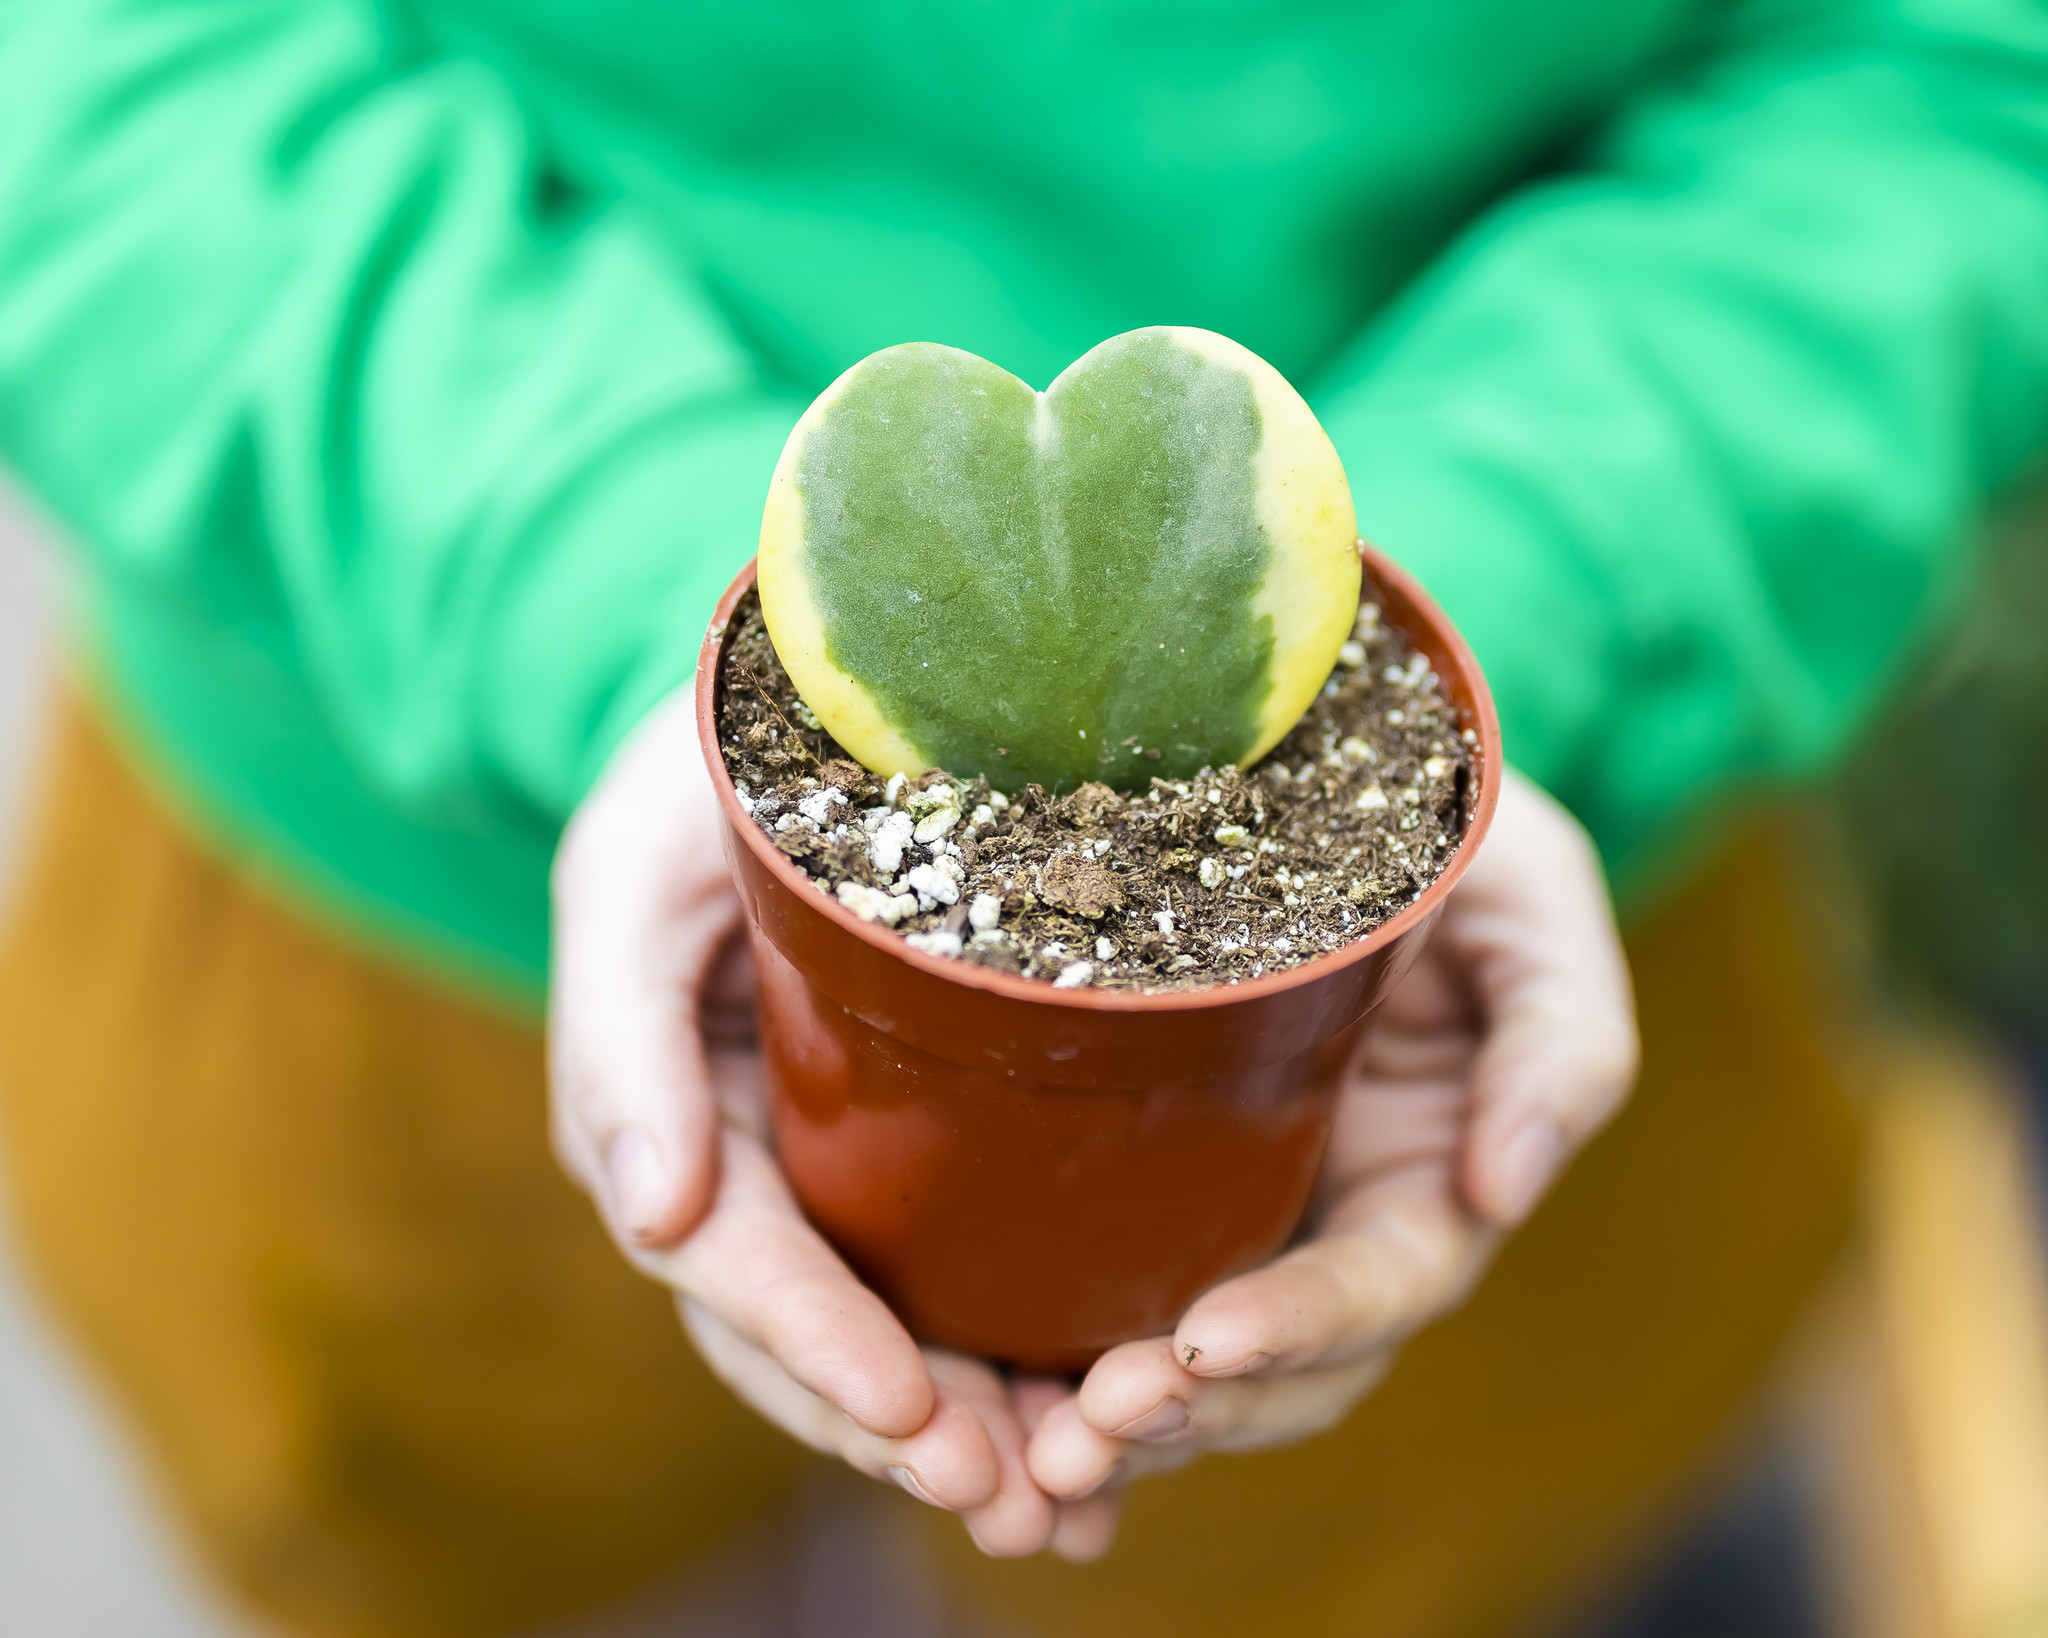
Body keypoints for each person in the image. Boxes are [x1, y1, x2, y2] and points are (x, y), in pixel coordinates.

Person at [0, 0, 2042, 1633]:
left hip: (1429, 994)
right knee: (426, 1529)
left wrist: (1519, 592)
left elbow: (1960, 78)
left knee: (1390, 1555)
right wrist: (598, 578)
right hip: (367, 915)